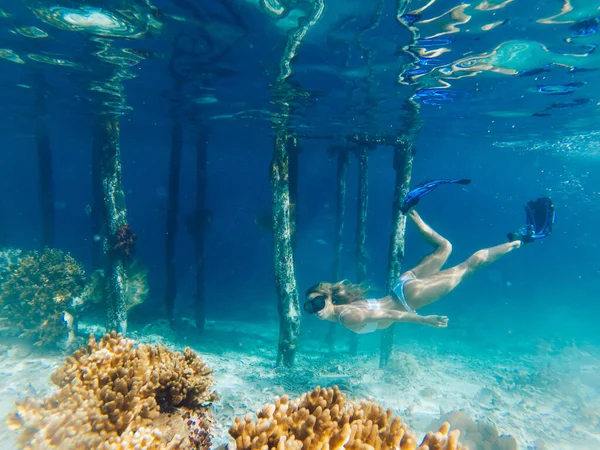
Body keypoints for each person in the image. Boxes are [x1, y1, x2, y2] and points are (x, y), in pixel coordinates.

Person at [304, 199, 554, 334]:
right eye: (310, 307)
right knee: (445, 248)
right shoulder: (344, 309)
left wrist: (423, 320)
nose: (315, 310)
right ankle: (415, 217)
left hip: (409, 298)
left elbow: (388, 314)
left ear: (328, 300)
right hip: (400, 285)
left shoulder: (347, 316)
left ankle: (523, 239)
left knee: (470, 266)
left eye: (317, 303)